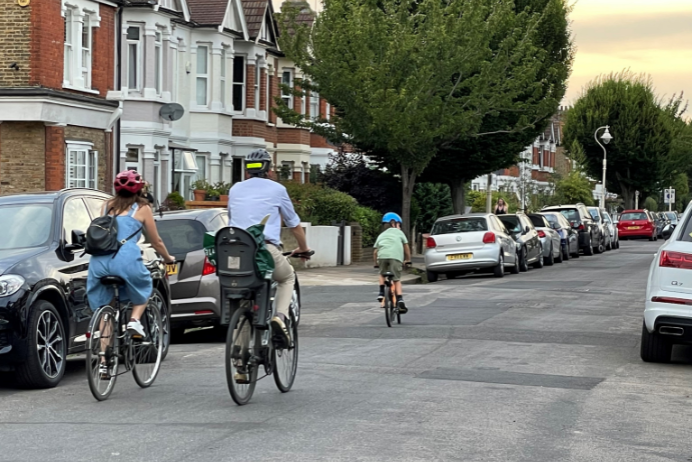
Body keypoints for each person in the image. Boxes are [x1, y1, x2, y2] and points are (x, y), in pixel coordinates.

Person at [227, 149, 310, 346]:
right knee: (287, 277)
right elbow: (293, 224)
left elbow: (232, 220)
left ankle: (239, 363)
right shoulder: (277, 189)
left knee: (245, 302)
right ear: (269, 170)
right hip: (265, 250)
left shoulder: (235, 189)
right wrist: (303, 248)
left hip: (236, 253)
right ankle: (280, 317)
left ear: (248, 170)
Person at [87, 170, 176, 343]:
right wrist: (167, 258)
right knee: (145, 286)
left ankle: (103, 361)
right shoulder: (143, 208)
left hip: (99, 262)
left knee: (105, 310)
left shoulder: (106, 205)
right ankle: (134, 321)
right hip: (125, 260)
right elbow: (155, 241)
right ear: (139, 189)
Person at [373, 212, 411, 313]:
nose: (400, 227)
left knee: (381, 273)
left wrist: (376, 263)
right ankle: (400, 299)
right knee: (396, 279)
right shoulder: (399, 233)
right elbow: (406, 246)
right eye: (399, 224)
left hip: (382, 258)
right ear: (393, 223)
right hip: (396, 258)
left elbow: (375, 251)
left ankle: (381, 292)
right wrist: (408, 259)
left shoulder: (381, 235)